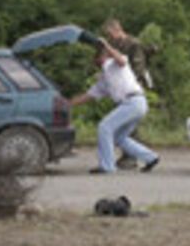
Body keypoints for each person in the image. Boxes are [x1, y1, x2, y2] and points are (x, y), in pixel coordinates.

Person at [68, 38, 160, 175]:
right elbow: (87, 96)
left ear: (102, 58)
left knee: (104, 127)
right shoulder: (104, 80)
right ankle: (151, 157)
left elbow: (122, 60)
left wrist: (106, 46)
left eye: (97, 60)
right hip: (135, 104)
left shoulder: (114, 64)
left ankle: (107, 166)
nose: (96, 64)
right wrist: (66, 104)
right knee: (119, 137)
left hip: (133, 101)